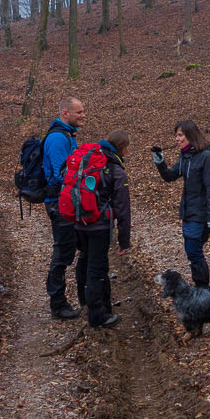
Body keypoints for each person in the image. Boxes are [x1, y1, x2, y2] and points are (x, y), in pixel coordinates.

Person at [69, 131, 133, 329]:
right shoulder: (115, 171)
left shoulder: (89, 161)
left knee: (84, 259)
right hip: (99, 227)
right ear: (122, 148)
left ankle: (85, 301)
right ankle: (98, 316)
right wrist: (124, 241)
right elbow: (123, 209)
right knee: (97, 269)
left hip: (79, 223)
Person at [154, 119, 210, 289]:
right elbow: (169, 176)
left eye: (180, 135)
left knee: (193, 251)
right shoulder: (186, 157)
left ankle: (203, 290)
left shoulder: (207, 157)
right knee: (193, 252)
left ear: (191, 135)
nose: (177, 139)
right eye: (176, 135)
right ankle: (202, 290)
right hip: (188, 212)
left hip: (200, 214)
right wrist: (160, 161)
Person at [42, 97, 85, 321]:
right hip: (60, 204)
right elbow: (62, 174)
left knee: (78, 247)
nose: (83, 115)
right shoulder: (58, 138)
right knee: (63, 252)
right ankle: (58, 304)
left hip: (69, 202)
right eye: (79, 112)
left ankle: (84, 298)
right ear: (65, 113)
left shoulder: (67, 135)